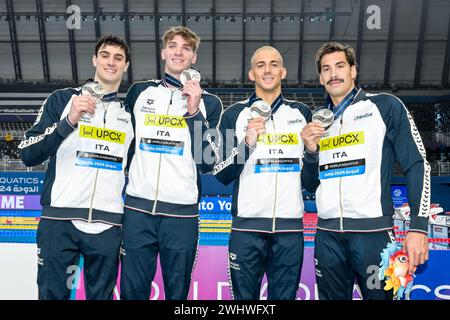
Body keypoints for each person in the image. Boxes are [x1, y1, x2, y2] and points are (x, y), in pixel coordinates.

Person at [301, 41, 430, 300]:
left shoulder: (384, 106)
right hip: (327, 237)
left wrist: (418, 227)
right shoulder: (318, 122)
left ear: (353, 71)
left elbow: (417, 164)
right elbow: (310, 184)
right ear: (320, 77)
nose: (333, 73)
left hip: (373, 236)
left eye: (340, 66)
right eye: (326, 69)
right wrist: (311, 153)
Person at [18, 36, 134, 300]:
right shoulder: (62, 100)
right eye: (105, 55)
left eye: (118, 57)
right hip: (59, 221)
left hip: (108, 224)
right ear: (95, 60)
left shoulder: (129, 115)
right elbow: (27, 153)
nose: (111, 62)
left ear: (125, 65)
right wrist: (69, 121)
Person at [120, 26, 223, 300]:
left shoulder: (209, 103)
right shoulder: (138, 92)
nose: (179, 51)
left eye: (186, 48)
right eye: (173, 46)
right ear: (163, 52)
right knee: (132, 291)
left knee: (177, 294)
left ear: (194, 57)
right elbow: (126, 144)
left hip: (181, 214)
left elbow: (207, 161)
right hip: (137, 210)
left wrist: (193, 111)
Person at [213, 46, 319, 300]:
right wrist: (247, 144)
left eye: (274, 64)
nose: (268, 70)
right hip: (246, 231)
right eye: (261, 65)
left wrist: (313, 154)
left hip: (289, 231)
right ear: (252, 74)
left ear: (283, 72)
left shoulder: (302, 114)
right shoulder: (234, 114)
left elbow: (312, 183)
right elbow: (221, 173)